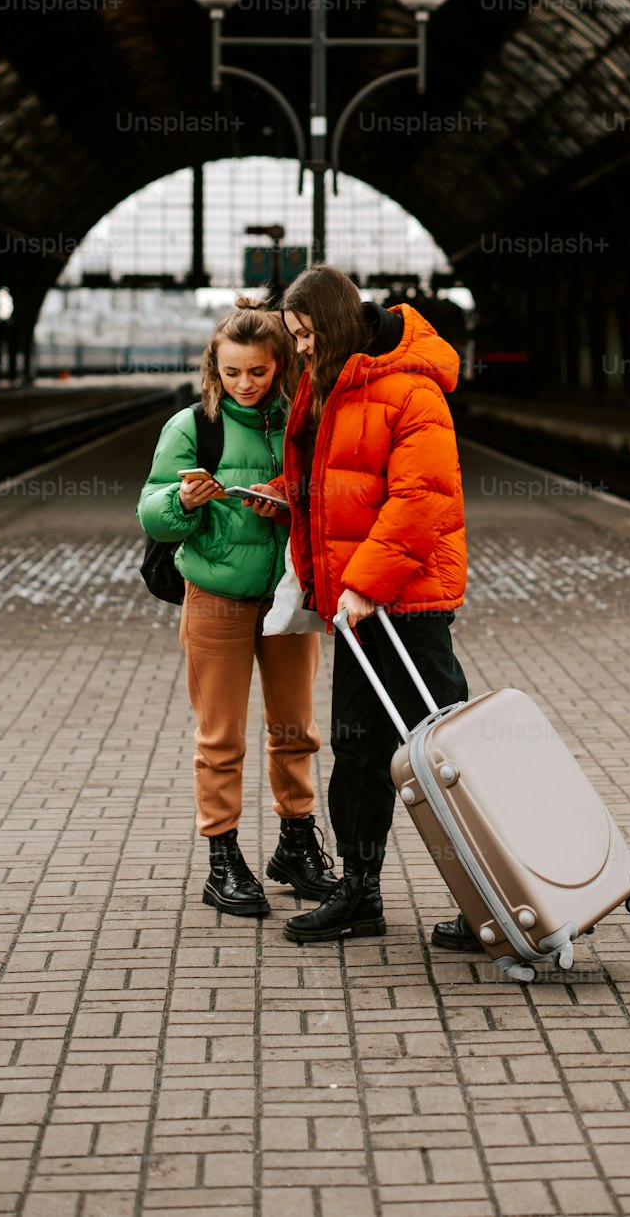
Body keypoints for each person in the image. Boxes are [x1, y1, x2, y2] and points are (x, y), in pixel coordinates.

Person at [244, 265, 481, 952]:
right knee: (357, 750)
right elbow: (337, 482)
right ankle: (360, 890)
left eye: (307, 333)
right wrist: (284, 494)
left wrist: (368, 584)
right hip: (358, 607)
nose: (302, 349)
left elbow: (423, 500)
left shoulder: (412, 389)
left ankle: (490, 894)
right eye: (294, 338)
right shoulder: (329, 388)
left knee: (443, 757)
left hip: (408, 605)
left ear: (339, 322)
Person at [136, 297, 336, 918]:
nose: (245, 384)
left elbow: (332, 495)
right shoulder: (193, 427)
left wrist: (289, 504)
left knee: (295, 731)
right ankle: (223, 860)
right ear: (213, 370)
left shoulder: (303, 421)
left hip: (286, 598)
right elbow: (151, 510)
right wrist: (184, 502)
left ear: (281, 365)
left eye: (258, 372)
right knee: (220, 737)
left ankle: (296, 846)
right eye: (232, 373)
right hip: (215, 598)